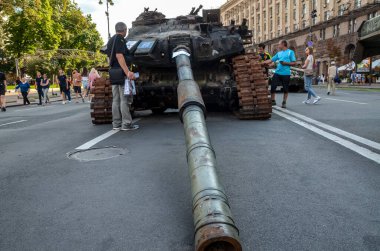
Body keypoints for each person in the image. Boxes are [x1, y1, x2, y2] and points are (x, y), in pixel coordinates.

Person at [106, 22, 139, 131]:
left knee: (116, 100)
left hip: (114, 73)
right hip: (122, 73)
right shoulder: (120, 39)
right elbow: (119, 56)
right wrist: (127, 72)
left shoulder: (111, 40)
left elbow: (109, 57)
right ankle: (126, 124)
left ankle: (116, 124)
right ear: (124, 30)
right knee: (125, 99)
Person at [262, 40, 296, 108]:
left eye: (279, 44)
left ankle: (284, 102)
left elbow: (294, 63)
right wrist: (262, 63)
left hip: (286, 73)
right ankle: (273, 100)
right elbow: (271, 60)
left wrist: (285, 63)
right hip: (277, 72)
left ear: (283, 44)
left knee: (285, 89)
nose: (278, 45)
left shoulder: (290, 52)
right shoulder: (279, 53)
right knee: (273, 87)